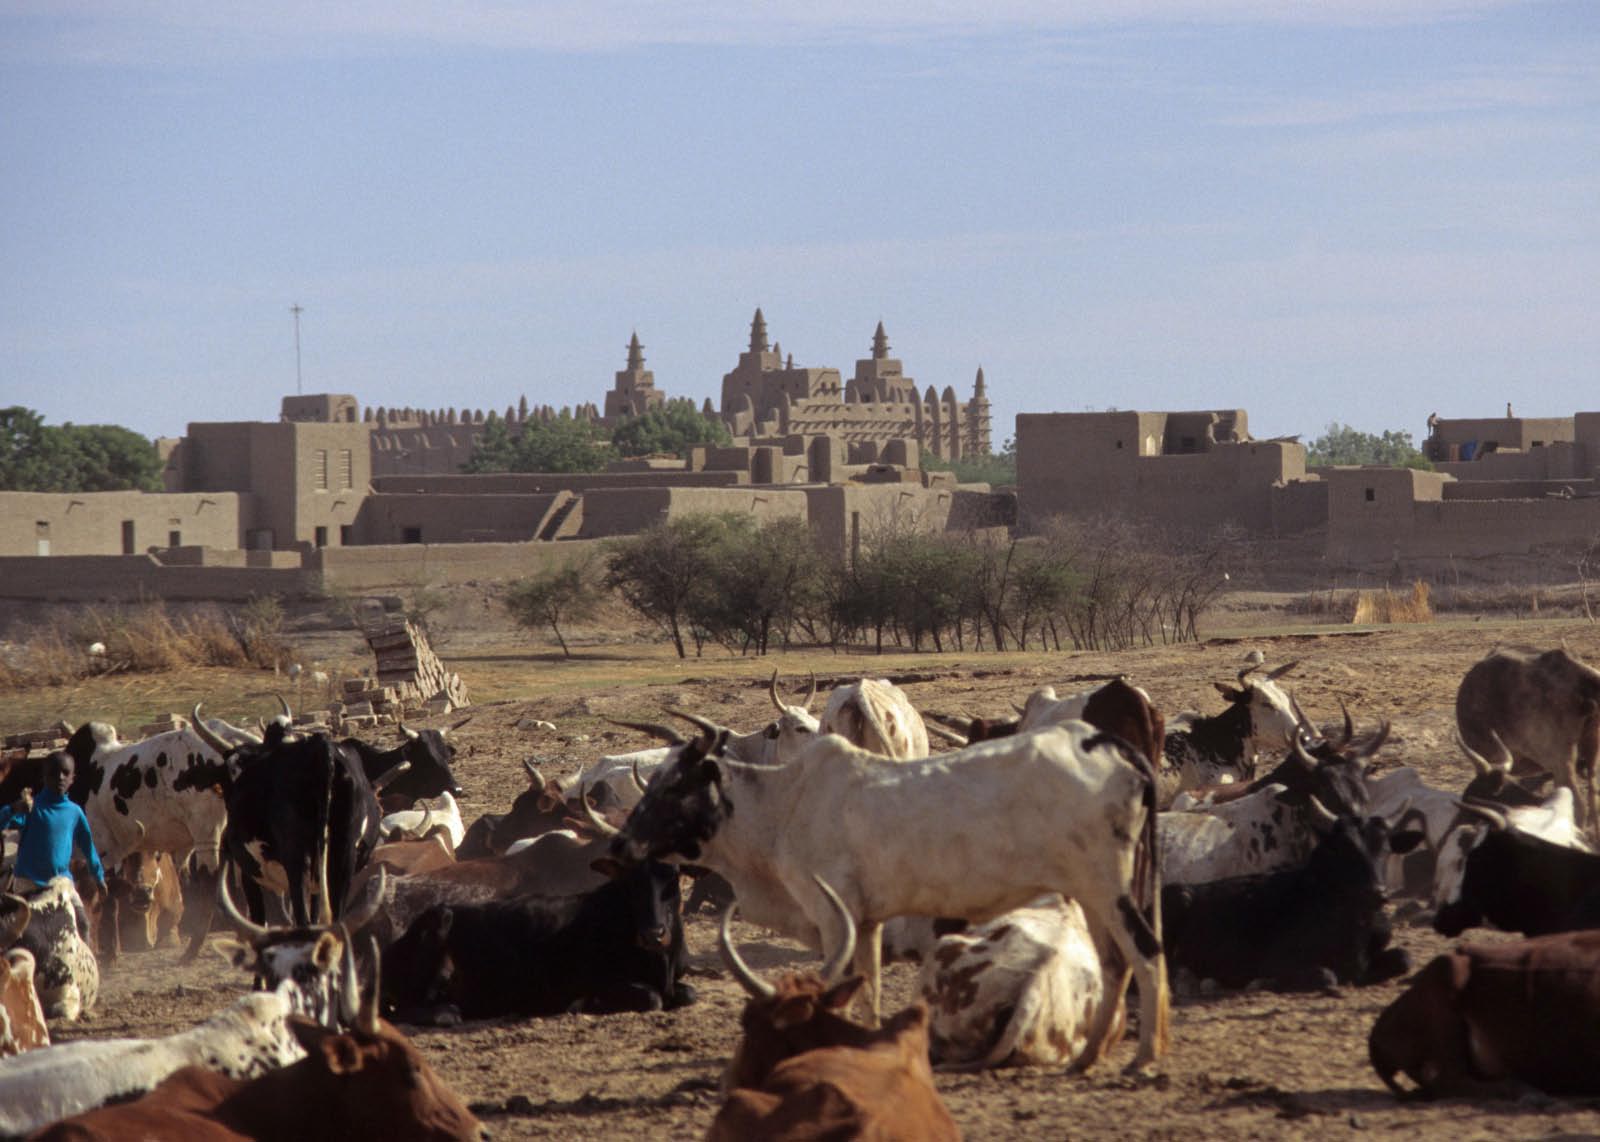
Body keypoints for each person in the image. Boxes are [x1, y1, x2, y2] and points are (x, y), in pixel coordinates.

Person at [4, 753, 105, 936]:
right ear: (43, 778)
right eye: (53, 773)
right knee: (25, 934)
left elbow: (88, 847)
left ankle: (84, 964)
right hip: (29, 882)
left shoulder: (74, 812)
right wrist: (13, 809)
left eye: (65, 773)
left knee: (82, 925)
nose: (60, 778)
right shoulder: (31, 808)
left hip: (62, 882)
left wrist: (99, 877)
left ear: (73, 778)